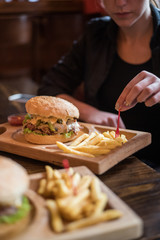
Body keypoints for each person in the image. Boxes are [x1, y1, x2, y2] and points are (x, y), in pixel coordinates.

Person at [38, 0, 160, 166]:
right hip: (99, 163)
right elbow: (49, 87)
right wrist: (89, 112)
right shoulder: (95, 34)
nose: (120, 3)